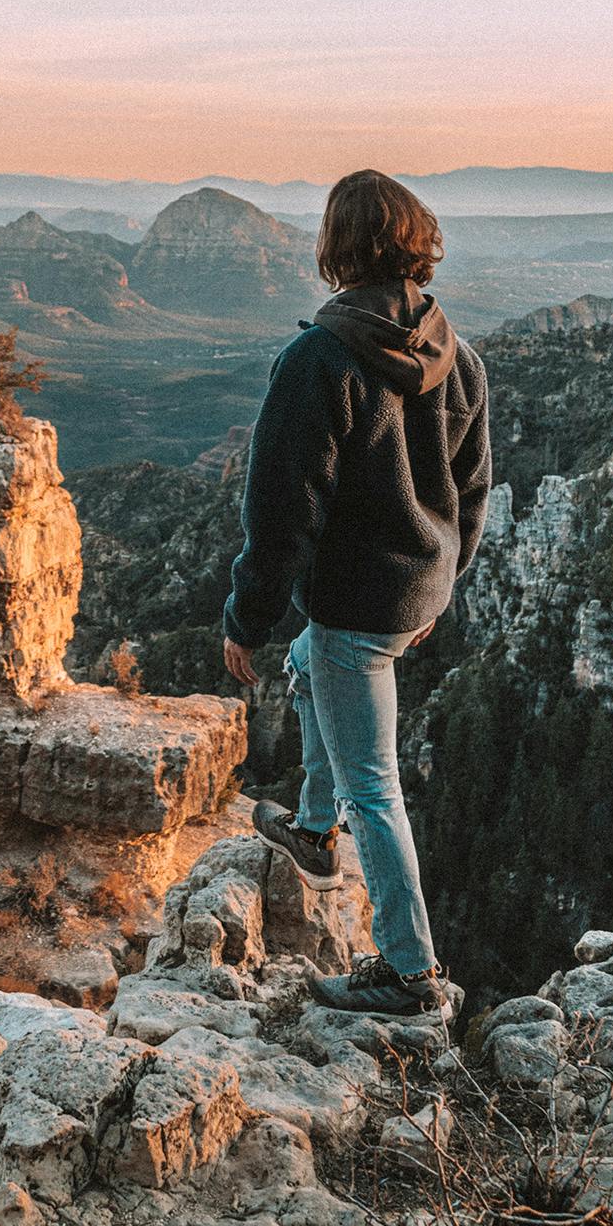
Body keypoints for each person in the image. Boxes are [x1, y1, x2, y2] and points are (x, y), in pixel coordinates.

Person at [222, 168, 491, 1021]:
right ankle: (309, 825)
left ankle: (409, 974)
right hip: (411, 592)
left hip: (353, 601)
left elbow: (280, 513)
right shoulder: (460, 357)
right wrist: (438, 591)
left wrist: (245, 619)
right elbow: (472, 490)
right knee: (315, 666)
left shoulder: (318, 360)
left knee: (373, 784)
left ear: (335, 251)